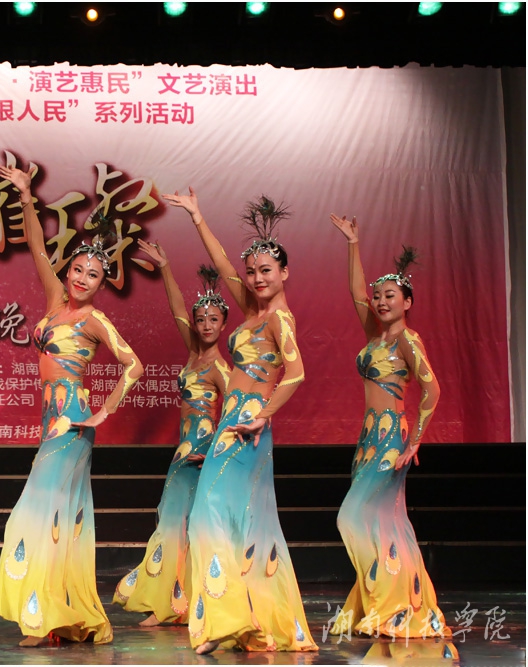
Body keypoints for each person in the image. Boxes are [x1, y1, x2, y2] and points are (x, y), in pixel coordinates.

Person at [0, 163, 144, 647]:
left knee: (36, 514)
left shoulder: (94, 319)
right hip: (51, 420)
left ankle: (44, 615)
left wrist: (103, 411)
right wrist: (25, 196)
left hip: (71, 424)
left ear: (102, 283)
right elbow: (38, 246)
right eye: (78, 269)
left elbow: (134, 365)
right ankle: (58, 614)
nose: (82, 278)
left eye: (93, 275)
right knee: (56, 519)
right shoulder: (56, 300)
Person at [162, 189, 317, 653]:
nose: (256, 277)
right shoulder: (252, 313)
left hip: (248, 425)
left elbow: (297, 373)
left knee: (211, 514)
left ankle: (230, 617)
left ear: (284, 273)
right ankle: (239, 617)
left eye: (266, 270)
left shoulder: (280, 319)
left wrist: (261, 418)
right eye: (252, 272)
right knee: (232, 519)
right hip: (232, 422)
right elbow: (224, 263)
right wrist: (197, 217)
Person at [328, 214, 449, 639]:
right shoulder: (376, 337)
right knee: (383, 523)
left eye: (390, 296)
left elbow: (432, 391)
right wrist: (353, 243)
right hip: (367, 440)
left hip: (390, 439)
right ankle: (388, 603)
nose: (380, 302)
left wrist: (413, 443)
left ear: (407, 302)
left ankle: (391, 602)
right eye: (378, 296)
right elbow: (355, 293)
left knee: (352, 518)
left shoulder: (407, 341)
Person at [114, 244, 230, 627]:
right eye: (201, 319)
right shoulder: (194, 354)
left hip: (200, 454)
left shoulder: (220, 368)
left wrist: (214, 454)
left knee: (178, 525)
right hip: (183, 451)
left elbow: (235, 413)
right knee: (174, 522)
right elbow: (177, 309)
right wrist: (165, 267)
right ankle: (178, 602)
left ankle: (167, 604)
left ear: (224, 324)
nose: (206, 325)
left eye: (213, 319)